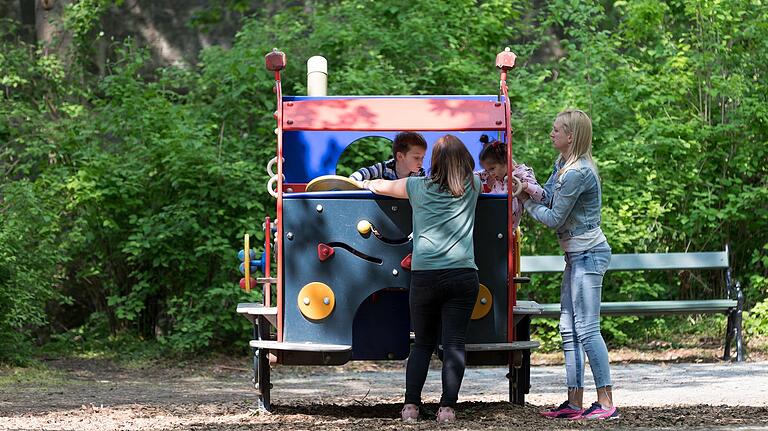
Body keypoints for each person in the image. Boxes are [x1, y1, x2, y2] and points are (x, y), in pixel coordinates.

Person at [356, 134, 480, 423]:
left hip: (425, 276)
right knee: (454, 344)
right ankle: (447, 408)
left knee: (423, 344)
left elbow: (381, 185)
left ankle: (410, 407)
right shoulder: (472, 186)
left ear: (433, 162)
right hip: (462, 274)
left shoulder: (417, 186)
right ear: (463, 162)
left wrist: (364, 183)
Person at [520, 109, 618, 420]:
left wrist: (523, 201)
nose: (551, 134)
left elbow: (553, 217)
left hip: (589, 254)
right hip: (575, 255)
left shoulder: (578, 172)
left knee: (587, 329)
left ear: (571, 136)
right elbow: (549, 196)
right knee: (568, 329)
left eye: (556, 130)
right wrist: (527, 185)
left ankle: (606, 404)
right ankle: (574, 402)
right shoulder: (563, 165)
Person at [474, 134, 547, 229]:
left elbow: (543, 197)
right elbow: (472, 176)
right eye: (487, 170)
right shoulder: (490, 175)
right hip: (491, 223)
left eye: (492, 168)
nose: (490, 173)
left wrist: (524, 186)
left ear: (505, 161)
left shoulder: (522, 174)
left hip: (508, 229)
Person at [349, 131, 427, 181]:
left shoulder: (420, 174)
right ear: (400, 156)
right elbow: (365, 172)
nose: (420, 162)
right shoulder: (385, 168)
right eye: (416, 158)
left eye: (422, 157)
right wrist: (352, 180)